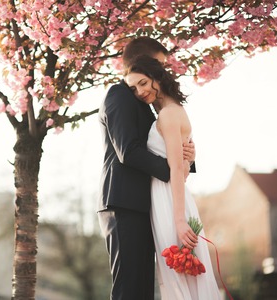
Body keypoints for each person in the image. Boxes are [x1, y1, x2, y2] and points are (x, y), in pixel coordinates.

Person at [97, 36, 196, 300]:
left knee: (143, 289)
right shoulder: (119, 94)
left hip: (144, 203)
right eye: (160, 65)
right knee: (129, 287)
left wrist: (187, 159)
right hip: (123, 203)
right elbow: (127, 151)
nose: (162, 72)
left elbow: (159, 145)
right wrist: (173, 169)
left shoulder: (146, 103)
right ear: (146, 63)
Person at [124, 54, 221, 299]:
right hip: (167, 197)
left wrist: (178, 220)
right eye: (134, 88)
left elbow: (177, 170)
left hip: (170, 201)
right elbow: (181, 163)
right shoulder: (172, 112)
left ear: (157, 77)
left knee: (178, 278)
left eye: (143, 83)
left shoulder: (168, 115)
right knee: (178, 278)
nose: (139, 92)